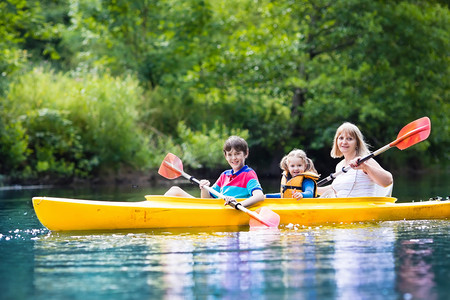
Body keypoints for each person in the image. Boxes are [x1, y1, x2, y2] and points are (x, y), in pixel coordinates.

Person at [164, 136, 265, 208]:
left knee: (175, 190)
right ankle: (155, 211)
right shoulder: (224, 175)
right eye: (229, 154)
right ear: (225, 156)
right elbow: (206, 200)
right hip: (215, 207)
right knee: (174, 190)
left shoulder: (248, 174)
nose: (233, 158)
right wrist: (204, 188)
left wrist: (238, 204)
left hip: (229, 209)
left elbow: (259, 196)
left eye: (237, 154)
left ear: (246, 153)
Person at [318, 122, 393, 198]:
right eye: (341, 138)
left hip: (363, 207)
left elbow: (388, 181)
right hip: (344, 207)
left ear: (357, 143)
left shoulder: (365, 161)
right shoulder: (339, 165)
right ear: (336, 141)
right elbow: (335, 189)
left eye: (349, 139)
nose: (344, 142)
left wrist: (365, 167)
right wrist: (313, 188)